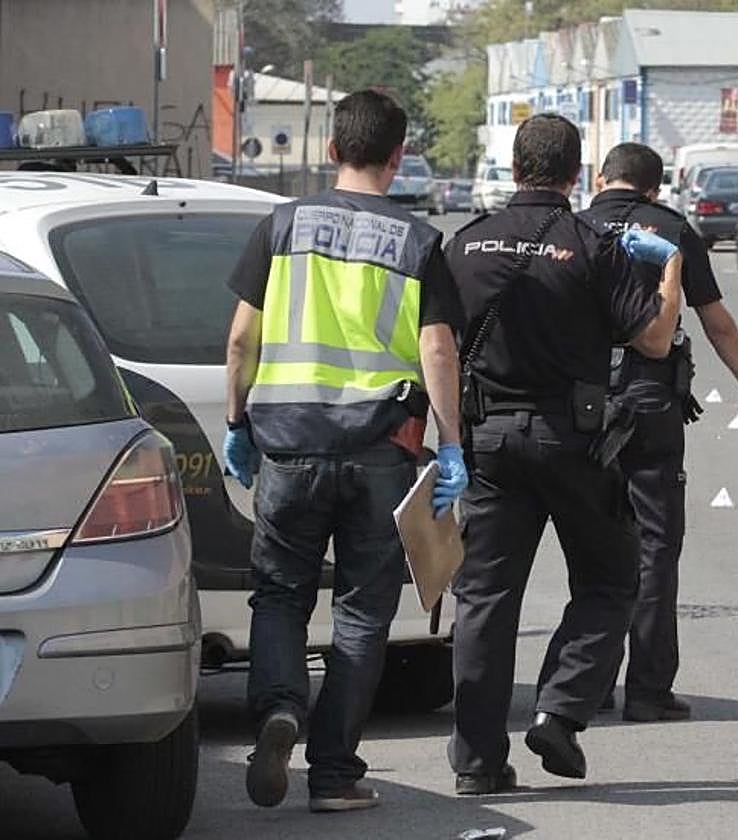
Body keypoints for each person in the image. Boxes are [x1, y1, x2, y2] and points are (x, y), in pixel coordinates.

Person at [223, 89, 466, 813]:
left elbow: (240, 339)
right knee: (363, 614)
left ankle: (278, 707)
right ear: (398, 158)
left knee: (280, 593)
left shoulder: (279, 226)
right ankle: (333, 776)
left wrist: (237, 424)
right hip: (380, 452)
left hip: (289, 449)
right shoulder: (421, 242)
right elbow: (437, 349)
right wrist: (452, 446)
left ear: (332, 151)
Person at [444, 114, 684, 794]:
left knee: (484, 601)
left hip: (486, 442)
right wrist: (668, 268)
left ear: (516, 167)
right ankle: (561, 706)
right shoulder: (591, 243)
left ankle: (477, 765)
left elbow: (435, 342)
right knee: (612, 581)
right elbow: (656, 342)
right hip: (573, 441)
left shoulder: (464, 245)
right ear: (578, 175)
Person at [579, 142, 738, 722]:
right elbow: (715, 319)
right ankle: (646, 690)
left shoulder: (572, 229)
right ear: (654, 189)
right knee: (656, 544)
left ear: (599, 179)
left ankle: (584, 688)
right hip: (648, 405)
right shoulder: (670, 229)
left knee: (590, 546)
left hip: (583, 407)